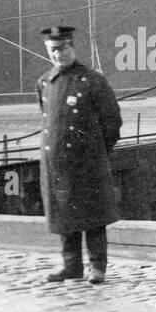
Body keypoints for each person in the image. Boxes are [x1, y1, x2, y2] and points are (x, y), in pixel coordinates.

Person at [36, 26, 122, 284]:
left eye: (62, 48)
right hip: (56, 164)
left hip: (88, 164)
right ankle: (71, 266)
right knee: (64, 217)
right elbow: (49, 122)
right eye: (53, 50)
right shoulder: (44, 82)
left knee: (93, 217)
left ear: (72, 47)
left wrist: (97, 152)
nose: (58, 55)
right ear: (47, 51)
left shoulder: (92, 80)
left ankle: (98, 267)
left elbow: (112, 121)